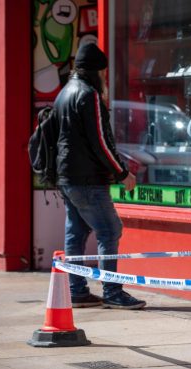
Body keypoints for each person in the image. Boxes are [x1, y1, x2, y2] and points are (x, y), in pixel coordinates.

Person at [54, 43, 146, 310]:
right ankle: (112, 290)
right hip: (88, 179)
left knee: (76, 232)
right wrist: (122, 172)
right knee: (109, 230)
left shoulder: (64, 93)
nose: (105, 78)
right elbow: (101, 141)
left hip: (67, 176)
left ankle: (76, 290)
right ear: (97, 71)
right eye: (103, 73)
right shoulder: (88, 95)